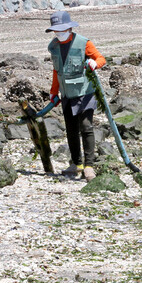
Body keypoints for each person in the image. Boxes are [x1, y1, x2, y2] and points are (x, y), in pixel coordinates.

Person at [45, 11, 106, 181]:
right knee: (71, 130)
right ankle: (76, 163)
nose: (59, 33)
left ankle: (89, 166)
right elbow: (57, 71)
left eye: (61, 30)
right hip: (66, 94)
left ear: (70, 28)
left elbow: (101, 58)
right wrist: (53, 91)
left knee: (86, 127)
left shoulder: (83, 43)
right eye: (56, 31)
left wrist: (95, 63)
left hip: (84, 93)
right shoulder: (54, 46)